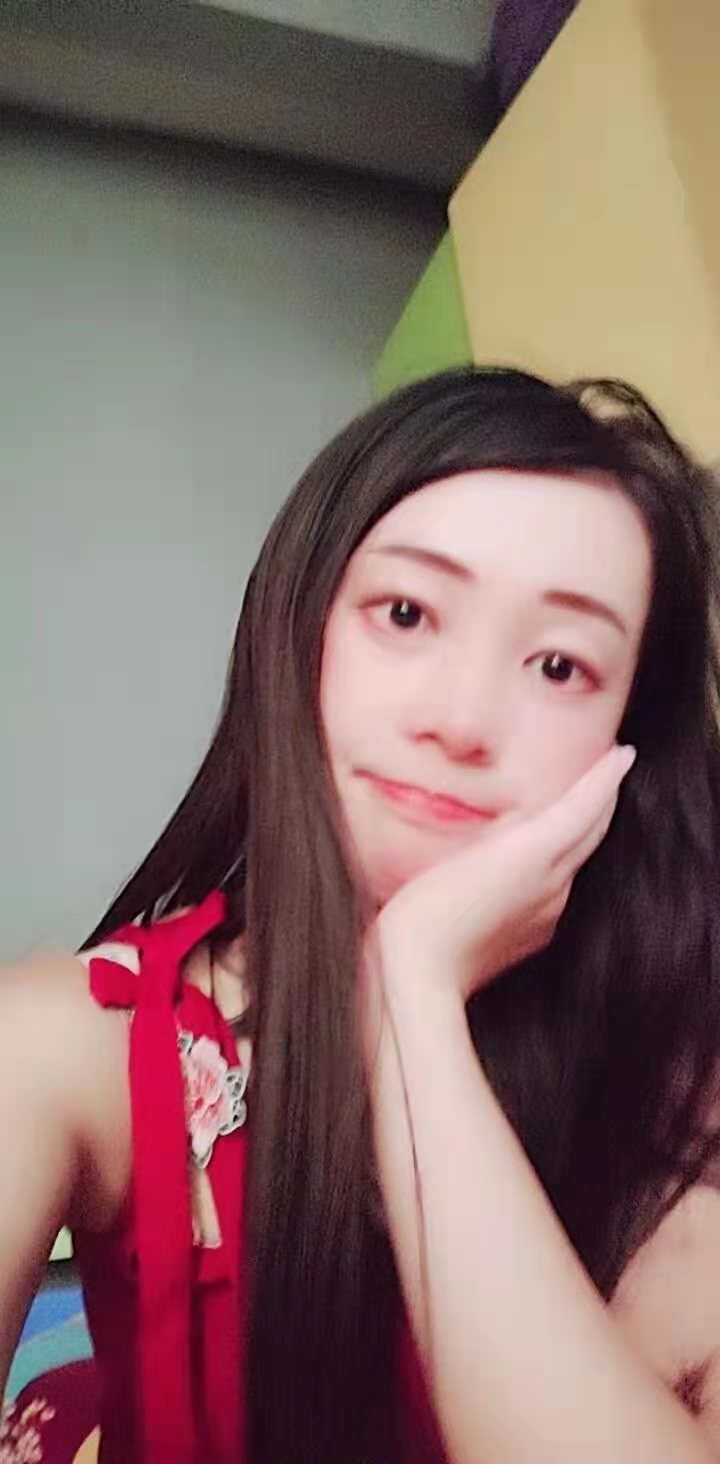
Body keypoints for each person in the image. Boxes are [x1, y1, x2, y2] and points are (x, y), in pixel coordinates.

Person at [3, 366, 720, 1464]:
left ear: (629, 737)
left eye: (560, 664)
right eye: (407, 613)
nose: (463, 720)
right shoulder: (71, 1039)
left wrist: (415, 992)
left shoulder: (679, 1080)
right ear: (300, 632)